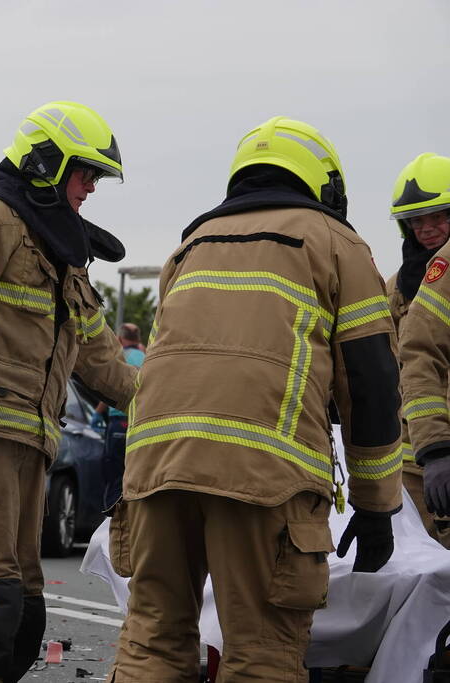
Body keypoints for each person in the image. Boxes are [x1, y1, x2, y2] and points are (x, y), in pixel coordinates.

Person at [111, 117, 402, 682]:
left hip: (155, 472)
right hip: (264, 478)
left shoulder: (189, 246)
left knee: (153, 642)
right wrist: (376, 505)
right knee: (261, 652)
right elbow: (371, 383)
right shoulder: (336, 243)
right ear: (324, 182)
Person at [0, 101, 138, 683]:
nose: (90, 188)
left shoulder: (59, 251)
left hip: (29, 448)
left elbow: (102, 356)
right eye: (84, 173)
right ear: (45, 164)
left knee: (18, 619)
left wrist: (167, 410)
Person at [386, 153, 450, 548]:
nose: (426, 229)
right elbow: (410, 358)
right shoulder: (394, 287)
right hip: (411, 463)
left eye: (438, 216)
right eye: (416, 220)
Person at [94, 322, 146, 509]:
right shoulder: (148, 358)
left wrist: (98, 414)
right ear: (138, 339)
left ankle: (112, 519)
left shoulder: (121, 357)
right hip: (140, 422)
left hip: (119, 422)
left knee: (114, 477)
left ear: (120, 339)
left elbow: (111, 389)